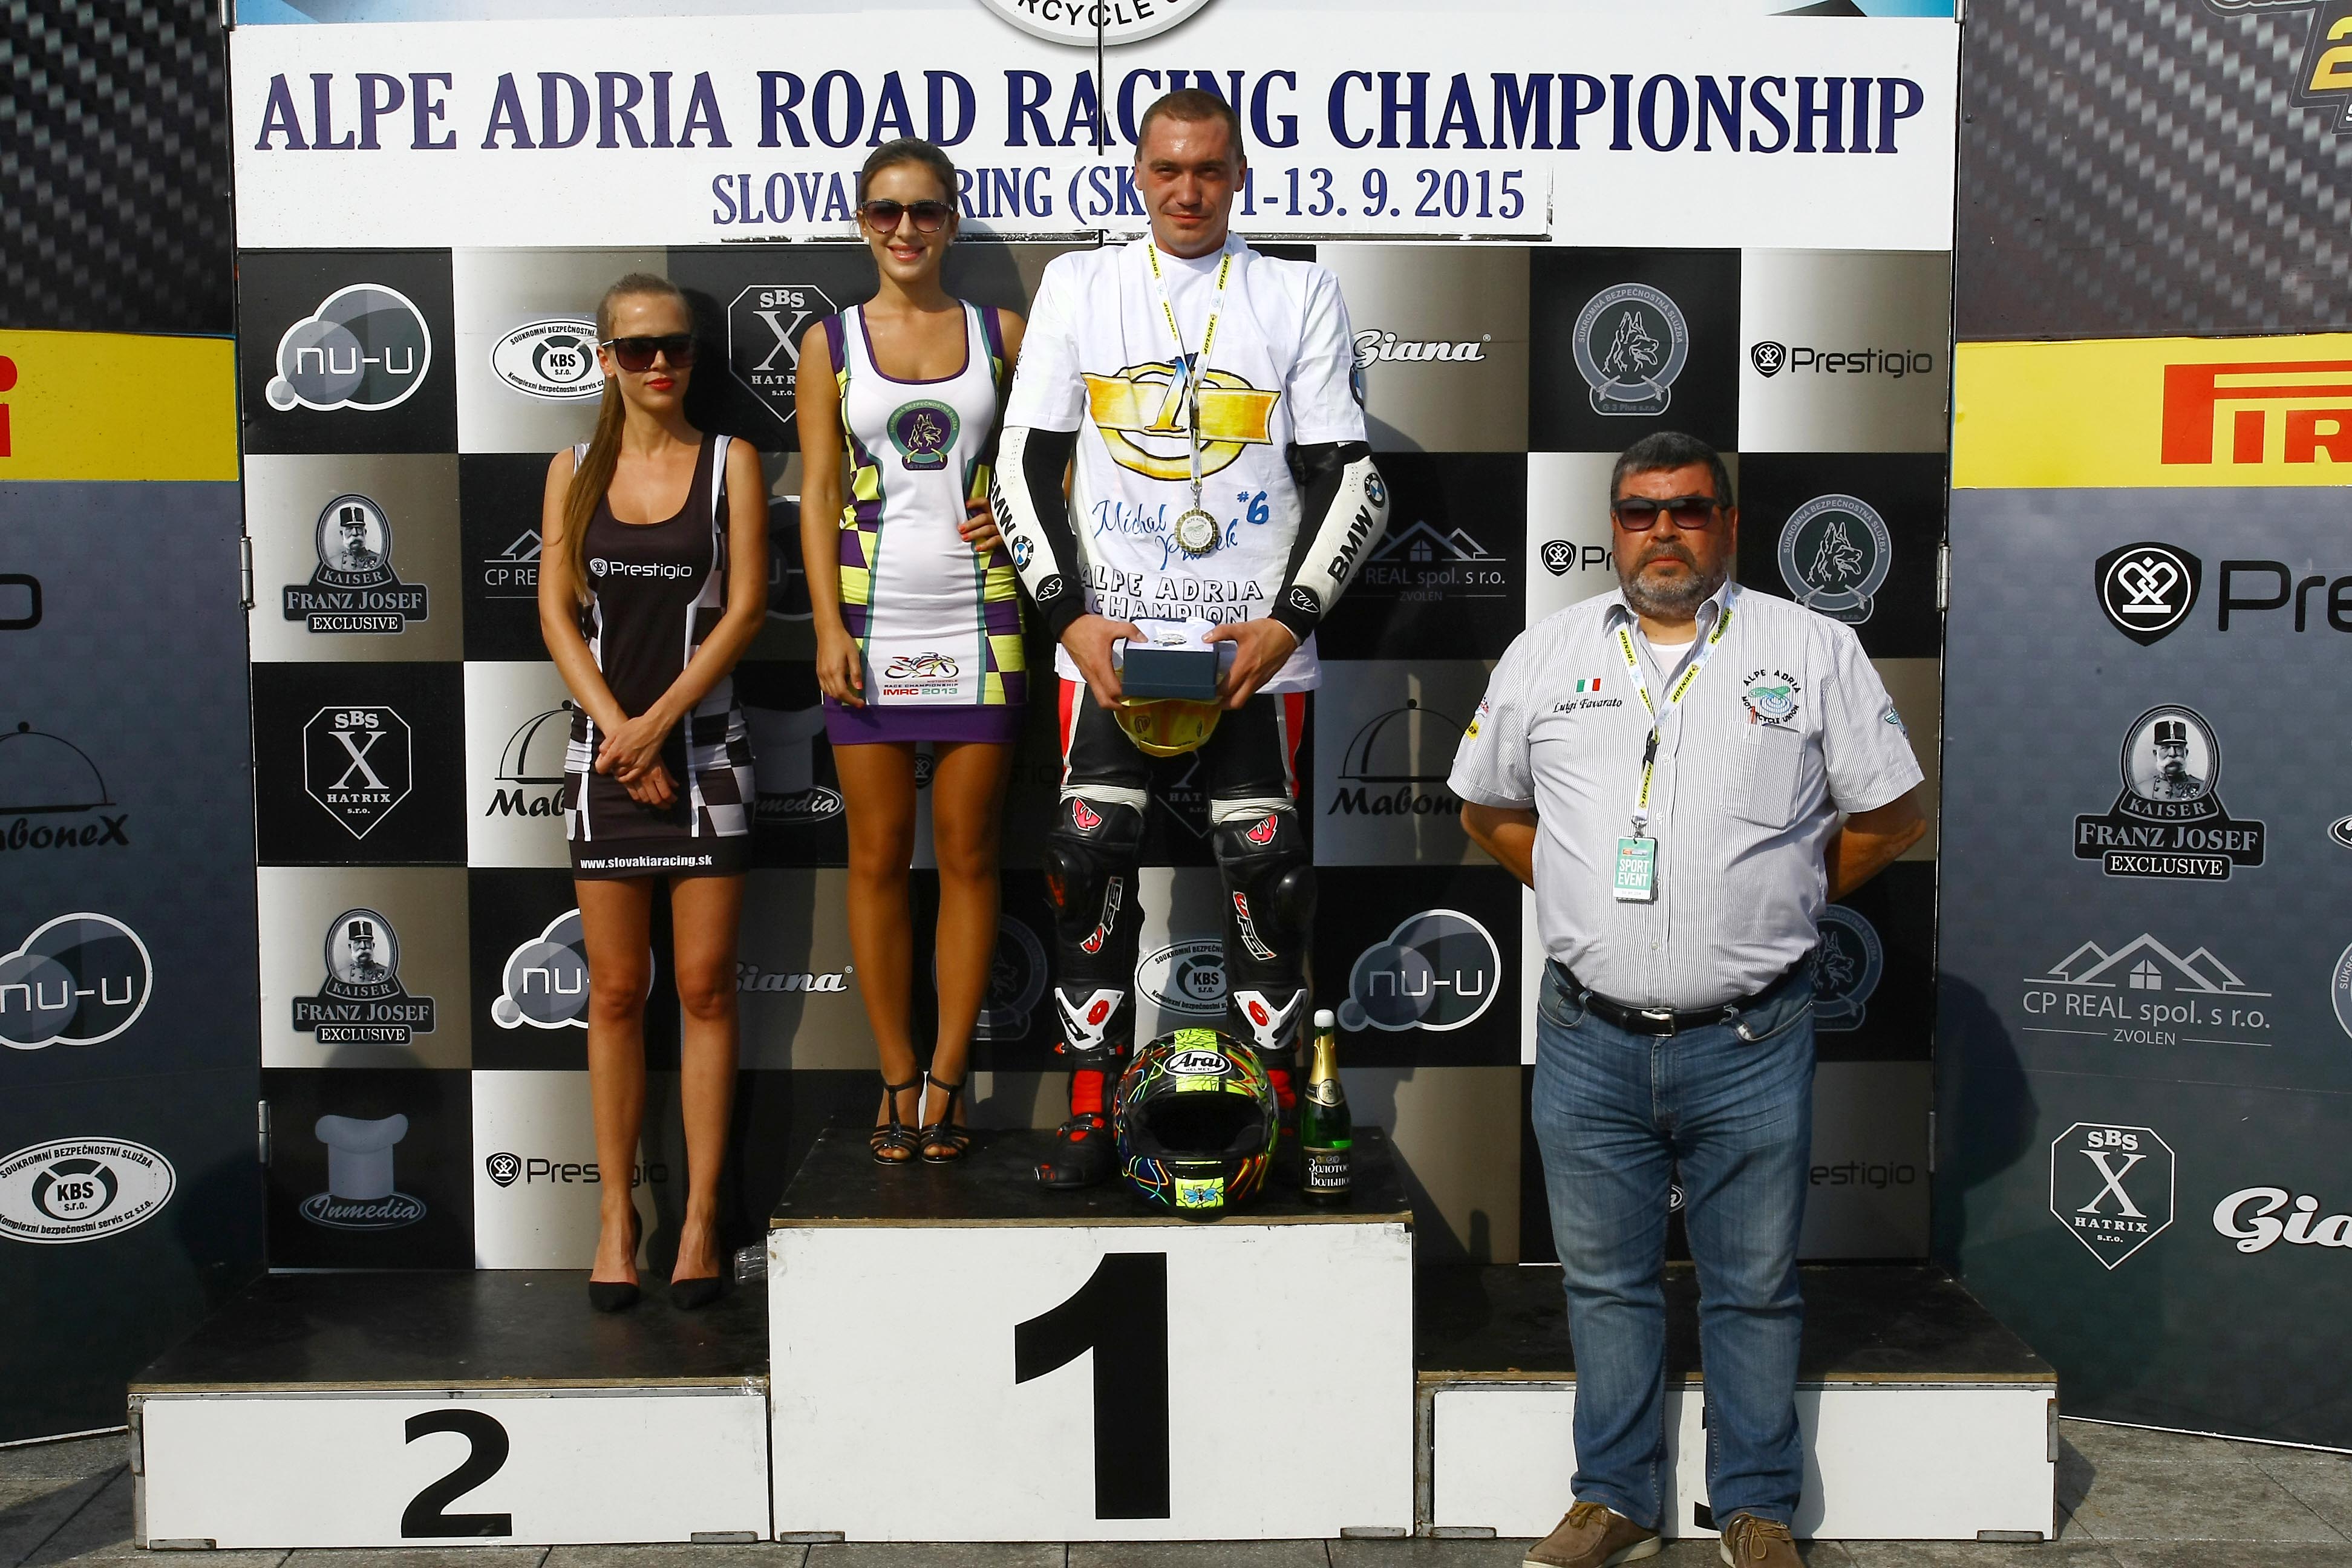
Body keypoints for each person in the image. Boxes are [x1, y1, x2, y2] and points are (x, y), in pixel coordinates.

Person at [1450, 432, 1926, 1568]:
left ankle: (1755, 1507)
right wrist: (1582, 895)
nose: (1663, 530)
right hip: (1587, 1035)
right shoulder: (1546, 652)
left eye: (1689, 508)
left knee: (1751, 1288)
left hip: (1751, 1037)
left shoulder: (1812, 648)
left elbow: (1894, 816)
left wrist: (1779, 897)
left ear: (1729, 523)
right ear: (1612, 527)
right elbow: (1487, 809)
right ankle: (1614, 1499)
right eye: (1639, 511)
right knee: (1604, 1286)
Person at [991, 88, 1388, 1189]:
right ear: (1138, 173)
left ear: (1240, 174)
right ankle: (1088, 1109)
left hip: (1251, 650)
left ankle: (1275, 1108)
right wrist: (1069, 617)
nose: (1187, 190)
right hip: (1110, 646)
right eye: (1167, 168)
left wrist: (1286, 624)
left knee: (1271, 875)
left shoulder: (1297, 291)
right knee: (1083, 864)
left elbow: (1350, 478)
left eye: (1209, 169)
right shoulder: (1082, 284)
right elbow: (1022, 464)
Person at [538, 272, 767, 1312]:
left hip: (707, 752)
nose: (660, 363)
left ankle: (702, 1221)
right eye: (637, 348)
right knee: (618, 993)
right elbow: (555, 616)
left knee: (707, 988)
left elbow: (747, 611)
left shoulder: (732, 463)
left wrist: (656, 727)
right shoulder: (570, 470)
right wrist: (621, 740)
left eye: (675, 345)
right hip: (605, 763)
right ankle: (615, 1220)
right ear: (606, 360)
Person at [797, 139, 1026, 1167]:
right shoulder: (829, 342)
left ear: (951, 222)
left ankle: (948, 1079)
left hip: (983, 620)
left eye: (925, 210)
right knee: (878, 857)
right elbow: (814, 493)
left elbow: (1064, 464)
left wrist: (1017, 518)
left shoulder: (1003, 333)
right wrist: (827, 628)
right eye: (885, 211)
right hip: (869, 621)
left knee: (971, 857)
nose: (905, 229)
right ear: (862, 221)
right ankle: (894, 1074)